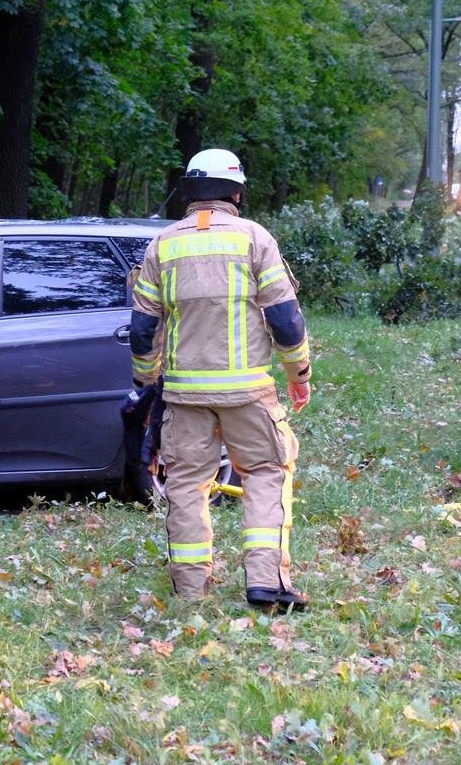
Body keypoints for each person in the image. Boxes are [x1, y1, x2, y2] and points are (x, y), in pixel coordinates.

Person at [129, 148, 312, 611]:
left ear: (189, 192)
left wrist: (147, 380)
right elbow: (285, 320)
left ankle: (190, 590)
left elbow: (143, 329)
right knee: (268, 473)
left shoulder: (162, 247)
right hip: (249, 394)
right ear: (237, 191)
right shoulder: (255, 239)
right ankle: (267, 581)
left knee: (187, 484)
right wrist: (299, 374)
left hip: (185, 397)